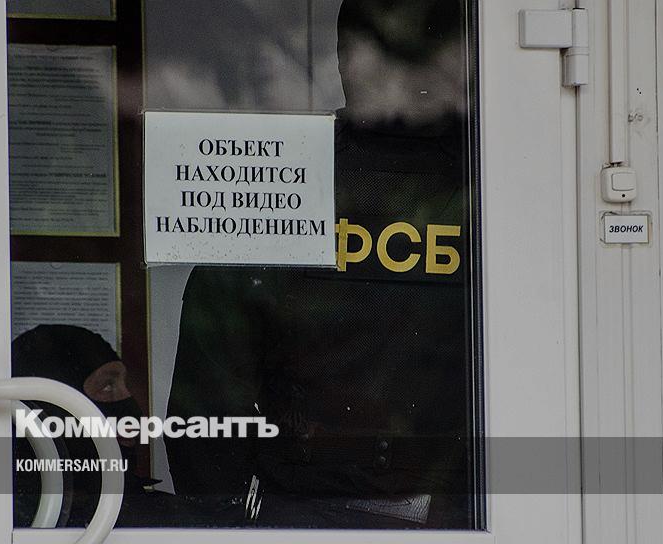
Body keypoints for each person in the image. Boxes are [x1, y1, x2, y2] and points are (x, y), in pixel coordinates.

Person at [164, 0, 475, 529]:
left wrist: (223, 523)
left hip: (360, 511)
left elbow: (210, 404)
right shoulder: (493, 176)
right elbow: (211, 398)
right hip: (458, 512)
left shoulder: (286, 173)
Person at [11, 324, 149, 527]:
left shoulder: (161, 517)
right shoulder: (5, 517)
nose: (132, 408)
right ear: (54, 406)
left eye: (126, 385)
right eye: (107, 386)